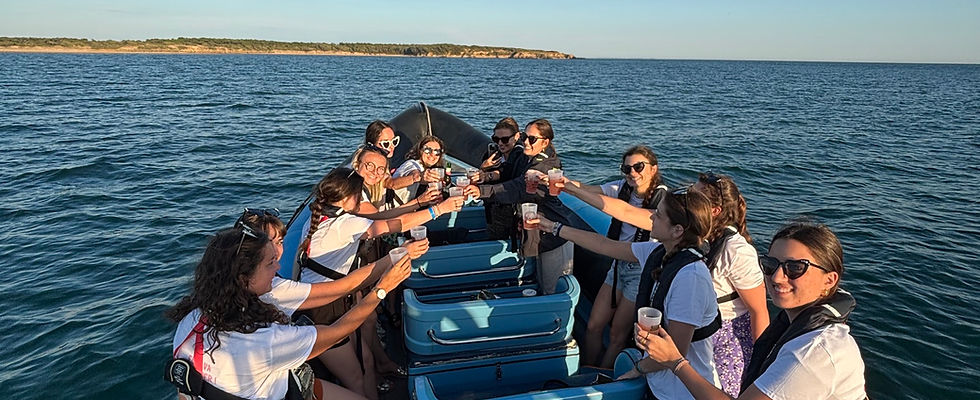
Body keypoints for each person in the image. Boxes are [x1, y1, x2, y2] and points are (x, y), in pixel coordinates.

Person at [166, 225, 412, 400]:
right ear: (243, 279)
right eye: (269, 264)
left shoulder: (191, 320)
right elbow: (338, 332)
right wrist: (382, 289)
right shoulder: (264, 340)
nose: (278, 267)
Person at [635, 221, 867, 400]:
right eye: (770, 265)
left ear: (829, 280)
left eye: (796, 268)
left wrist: (675, 361)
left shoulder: (814, 351)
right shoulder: (798, 327)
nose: (777, 277)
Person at [529, 187, 721, 400]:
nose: (651, 217)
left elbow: (675, 353)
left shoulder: (690, 277)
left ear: (677, 231)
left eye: (658, 215)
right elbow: (604, 245)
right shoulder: (658, 252)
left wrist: (637, 368)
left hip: (680, 393)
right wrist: (553, 227)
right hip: (657, 383)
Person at [299, 167, 461, 398]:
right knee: (354, 376)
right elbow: (396, 224)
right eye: (358, 194)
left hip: (333, 300)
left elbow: (379, 218)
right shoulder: (344, 224)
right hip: (323, 311)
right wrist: (439, 209)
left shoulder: (323, 215)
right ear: (346, 198)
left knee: (365, 359)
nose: (361, 198)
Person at [564, 145, 668, 368]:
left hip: (641, 270)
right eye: (627, 168)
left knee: (617, 335)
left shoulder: (663, 201)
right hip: (618, 265)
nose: (632, 173)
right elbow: (589, 189)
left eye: (638, 167)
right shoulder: (622, 188)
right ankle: (589, 369)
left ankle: (604, 376)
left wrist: (572, 190)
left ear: (653, 168)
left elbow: (626, 212)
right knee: (593, 326)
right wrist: (563, 183)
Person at [474, 118, 574, 294]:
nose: (526, 142)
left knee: (552, 289)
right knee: (541, 283)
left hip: (554, 235)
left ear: (545, 142)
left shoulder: (546, 165)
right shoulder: (527, 157)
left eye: (532, 139)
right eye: (524, 137)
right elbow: (509, 171)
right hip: (538, 231)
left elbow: (518, 188)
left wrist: (481, 191)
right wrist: (486, 176)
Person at [693, 173, 770, 397]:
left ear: (714, 210)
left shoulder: (736, 251)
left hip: (726, 339)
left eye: (695, 197)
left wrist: (759, 363)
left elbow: (758, 311)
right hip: (698, 330)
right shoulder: (700, 238)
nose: (688, 200)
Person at [478, 117, 530, 240]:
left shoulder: (521, 157)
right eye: (496, 139)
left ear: (516, 136)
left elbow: (506, 173)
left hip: (512, 210)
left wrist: (488, 174)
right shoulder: (493, 155)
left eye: (505, 139)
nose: (500, 143)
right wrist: (483, 167)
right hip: (493, 209)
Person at [363, 119, 418, 191]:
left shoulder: (386, 160)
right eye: (386, 144)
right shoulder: (371, 162)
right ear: (372, 144)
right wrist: (416, 178)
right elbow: (390, 183)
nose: (392, 146)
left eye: (394, 141)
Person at [392, 136, 448, 203]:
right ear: (420, 150)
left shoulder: (432, 170)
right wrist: (419, 177)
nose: (432, 154)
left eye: (437, 152)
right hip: (394, 207)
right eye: (427, 150)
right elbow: (414, 172)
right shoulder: (411, 164)